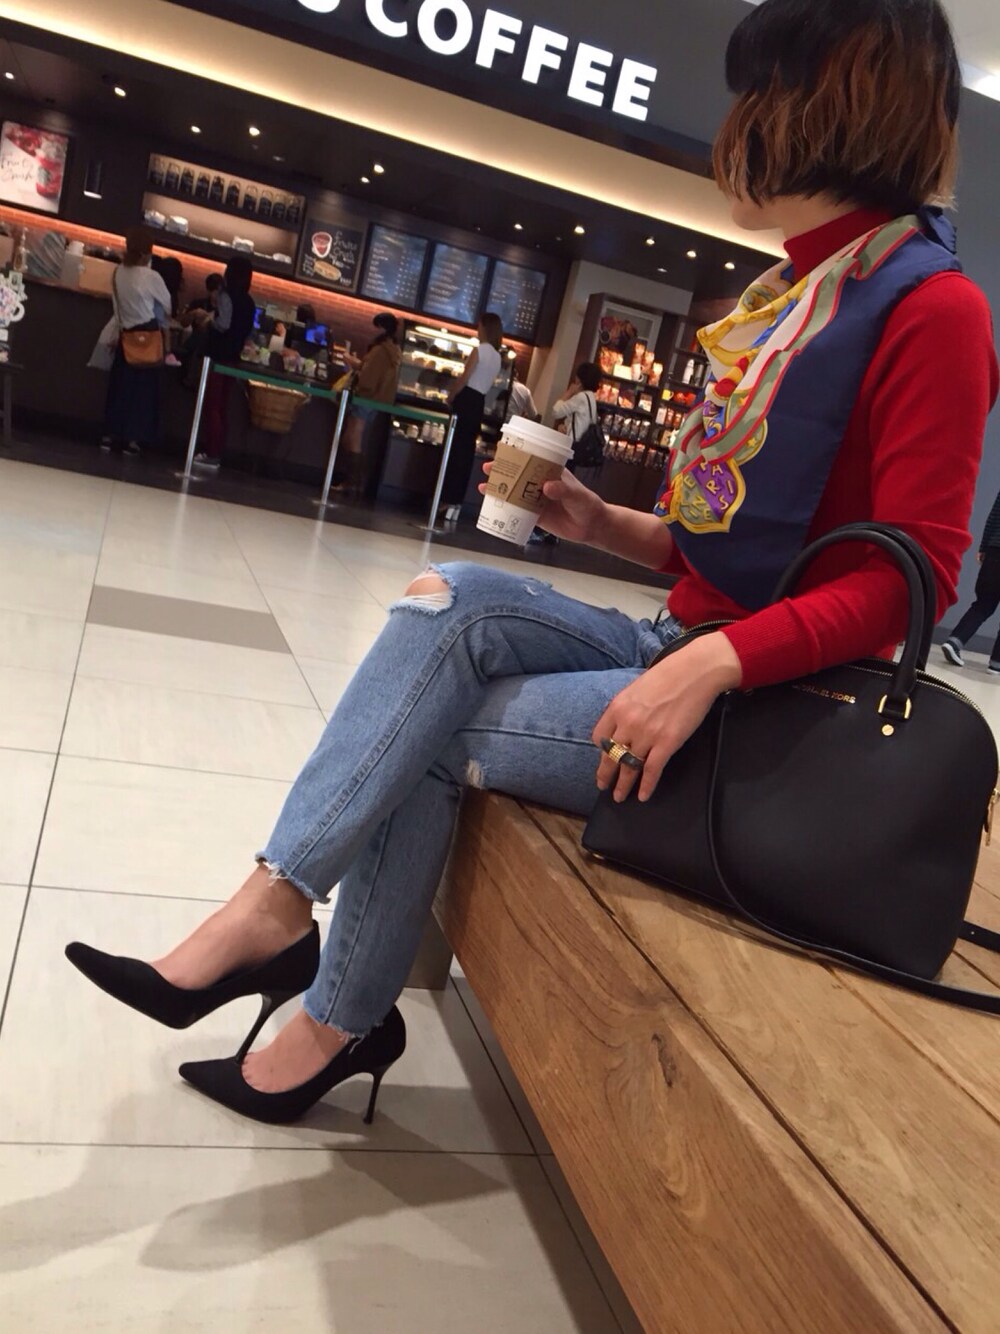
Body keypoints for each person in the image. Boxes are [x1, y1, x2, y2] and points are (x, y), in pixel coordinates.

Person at [67, 0, 998, 1129]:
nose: (736, 124)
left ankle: (335, 1010)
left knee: (428, 725)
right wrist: (601, 525)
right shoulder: (793, 301)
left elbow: (912, 582)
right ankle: (276, 910)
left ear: (832, 105)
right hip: (681, 642)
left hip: (771, 707)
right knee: (447, 596)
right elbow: (727, 547)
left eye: (761, 93)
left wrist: (709, 667)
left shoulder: (933, 311)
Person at [100, 226, 172, 457]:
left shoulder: (117, 273)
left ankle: (110, 435)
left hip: (126, 336)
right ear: (147, 252)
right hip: (148, 336)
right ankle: (134, 439)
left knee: (120, 388)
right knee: (143, 392)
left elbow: (116, 307)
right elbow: (168, 305)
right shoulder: (152, 277)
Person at [189, 256, 256, 470]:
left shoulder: (227, 296)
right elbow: (246, 331)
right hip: (234, 359)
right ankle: (217, 451)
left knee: (213, 406)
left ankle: (212, 453)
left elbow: (223, 324)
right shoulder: (249, 302)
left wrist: (209, 322)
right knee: (222, 407)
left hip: (218, 356)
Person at [438, 312, 504, 522]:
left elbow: (464, 378)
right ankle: (456, 502)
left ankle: (445, 499)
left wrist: (450, 396)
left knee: (454, 450)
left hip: (465, 400)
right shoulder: (498, 357)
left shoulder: (479, 350)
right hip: (478, 404)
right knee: (466, 453)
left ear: (484, 328)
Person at [336, 312, 402, 497]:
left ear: (382, 327)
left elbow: (368, 377)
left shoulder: (381, 349)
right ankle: (354, 482)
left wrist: (355, 369)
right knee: (353, 436)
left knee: (353, 436)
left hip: (366, 397)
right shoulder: (393, 349)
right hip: (377, 399)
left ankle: (352, 482)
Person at [941, 490, 1000, 671]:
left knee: (983, 603)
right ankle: (996, 663)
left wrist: (984, 547)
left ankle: (955, 641)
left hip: (995, 549)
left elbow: (994, 516)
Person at [552, 362, 602, 466]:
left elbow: (556, 412)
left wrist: (569, 392)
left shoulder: (581, 398)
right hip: (582, 447)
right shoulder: (591, 397)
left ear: (579, 380)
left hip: (572, 447)